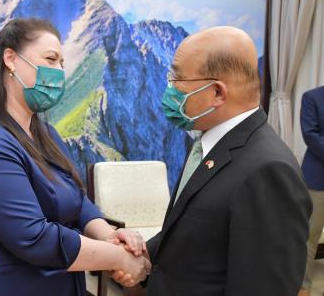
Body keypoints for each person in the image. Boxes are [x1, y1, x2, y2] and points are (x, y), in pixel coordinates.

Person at [0, 18, 151, 296]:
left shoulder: (46, 134)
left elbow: (76, 199)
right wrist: (118, 257)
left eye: (62, 63)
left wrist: (109, 235)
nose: (59, 72)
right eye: (50, 59)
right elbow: (34, 238)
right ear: (10, 59)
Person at [112, 26, 312, 295]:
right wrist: (143, 254)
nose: (170, 89)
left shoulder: (268, 171)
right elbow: (193, 236)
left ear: (217, 93)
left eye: (178, 80)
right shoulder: (210, 144)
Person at [298, 86, 324, 296]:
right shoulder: (312, 97)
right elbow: (310, 135)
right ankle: (302, 286)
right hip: (318, 179)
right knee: (310, 236)